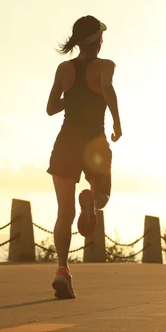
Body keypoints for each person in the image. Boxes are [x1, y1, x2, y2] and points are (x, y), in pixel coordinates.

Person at [45, 15, 122, 299]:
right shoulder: (105, 66)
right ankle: (91, 200)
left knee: (64, 213)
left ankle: (62, 270)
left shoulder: (64, 69)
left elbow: (51, 108)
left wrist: (73, 97)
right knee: (102, 196)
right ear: (98, 40)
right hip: (95, 146)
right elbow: (108, 89)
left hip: (65, 144)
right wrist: (116, 122)